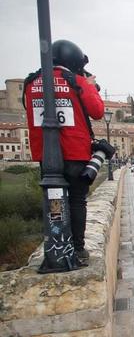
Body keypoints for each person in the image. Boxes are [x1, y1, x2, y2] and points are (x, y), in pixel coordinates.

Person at [23, 39, 108, 265]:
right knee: (77, 200)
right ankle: (77, 249)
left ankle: (56, 246)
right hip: (75, 152)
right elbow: (98, 111)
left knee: (53, 200)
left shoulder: (31, 82)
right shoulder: (77, 81)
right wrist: (88, 86)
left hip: (46, 154)